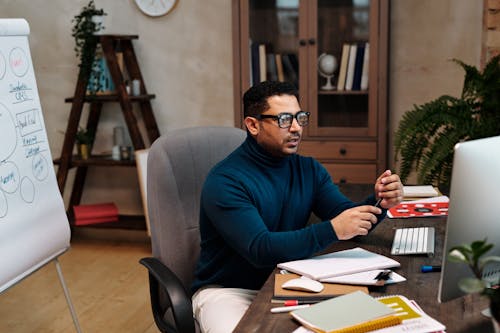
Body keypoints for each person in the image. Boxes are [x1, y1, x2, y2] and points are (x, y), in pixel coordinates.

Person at [191, 81, 403, 333]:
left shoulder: (309, 170)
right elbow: (260, 249)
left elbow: (347, 219)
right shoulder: (225, 180)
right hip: (230, 291)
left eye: (300, 118)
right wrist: (334, 229)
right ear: (253, 125)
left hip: (292, 282)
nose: (296, 128)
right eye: (283, 119)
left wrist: (379, 202)